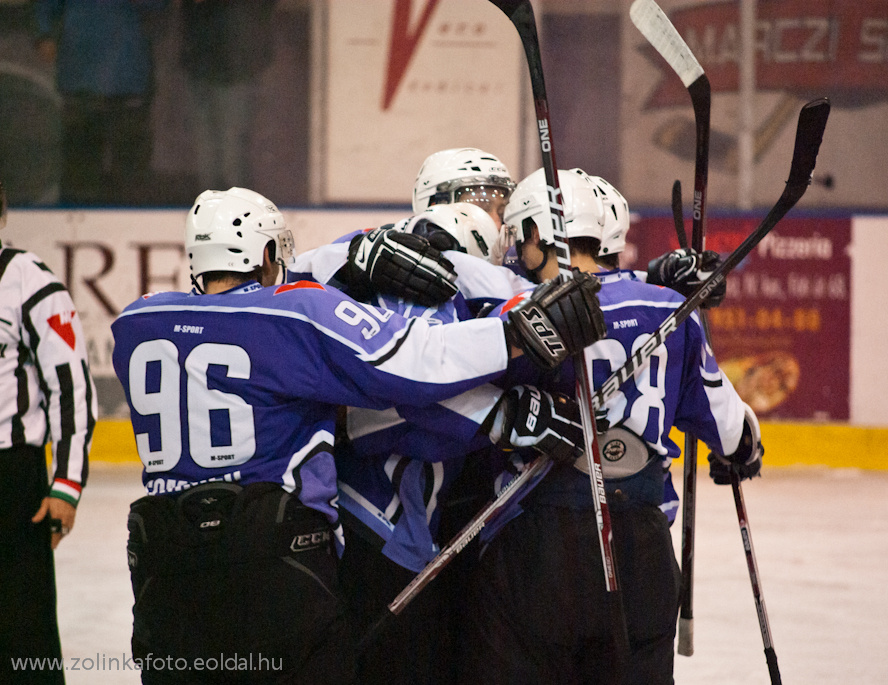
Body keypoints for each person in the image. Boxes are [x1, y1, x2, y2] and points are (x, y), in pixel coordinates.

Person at [110, 187, 604, 684]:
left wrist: (355, 254)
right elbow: (411, 359)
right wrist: (517, 334)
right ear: (264, 254)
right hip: (271, 561)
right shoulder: (294, 313)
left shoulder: (137, 322)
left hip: (162, 564)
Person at [456, 168, 762, 685]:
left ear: (535, 233)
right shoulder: (673, 310)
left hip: (540, 544)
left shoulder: (521, 314)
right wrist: (734, 457)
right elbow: (738, 436)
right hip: (642, 546)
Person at [0, 177, 97, 684]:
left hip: (10, 482)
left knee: (22, 638)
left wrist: (67, 484)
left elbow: (72, 387)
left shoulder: (27, 280)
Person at [34, 0, 168, 206]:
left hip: (128, 76)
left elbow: (159, 6)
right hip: (80, 76)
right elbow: (44, 7)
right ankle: (76, 230)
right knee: (79, 174)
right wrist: (44, 34)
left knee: (130, 176)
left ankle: (131, 227)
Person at [179, 0, 277, 190]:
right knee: (208, 153)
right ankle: (215, 212)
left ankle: (237, 213)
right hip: (205, 63)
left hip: (232, 66)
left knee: (231, 155)